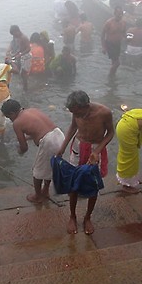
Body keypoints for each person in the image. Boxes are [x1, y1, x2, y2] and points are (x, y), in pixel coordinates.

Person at [56, 90, 114, 235]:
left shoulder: (104, 112)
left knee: (93, 185)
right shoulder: (75, 112)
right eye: (73, 113)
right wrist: (62, 147)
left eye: (78, 113)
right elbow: (73, 127)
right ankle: (72, 216)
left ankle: (88, 217)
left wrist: (97, 151)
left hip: (96, 148)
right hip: (78, 146)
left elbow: (111, 133)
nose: (76, 115)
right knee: (73, 185)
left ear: (86, 106)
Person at [1, 99, 65, 204]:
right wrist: (28, 138)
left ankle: (37, 196)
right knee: (50, 166)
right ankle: (45, 190)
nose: (10, 120)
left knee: (37, 171)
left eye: (9, 117)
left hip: (49, 142)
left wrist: (20, 151)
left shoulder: (17, 123)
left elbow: (24, 147)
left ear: (12, 113)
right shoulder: (32, 110)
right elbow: (39, 130)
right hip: (59, 135)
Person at [101, 5, 127, 78]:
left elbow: (124, 33)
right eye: (118, 13)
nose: (120, 15)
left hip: (118, 44)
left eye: (121, 13)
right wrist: (103, 47)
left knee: (114, 62)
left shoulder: (123, 23)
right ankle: (109, 77)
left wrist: (129, 37)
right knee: (117, 63)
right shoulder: (109, 22)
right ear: (115, 13)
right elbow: (102, 35)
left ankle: (113, 76)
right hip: (110, 44)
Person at [6, 25, 31, 92]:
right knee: (18, 69)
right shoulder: (17, 37)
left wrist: (20, 54)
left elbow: (28, 49)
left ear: (17, 31)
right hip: (20, 55)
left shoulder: (24, 37)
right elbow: (19, 48)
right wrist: (13, 54)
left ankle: (25, 89)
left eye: (14, 34)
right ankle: (21, 84)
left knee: (24, 73)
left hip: (26, 56)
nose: (14, 36)